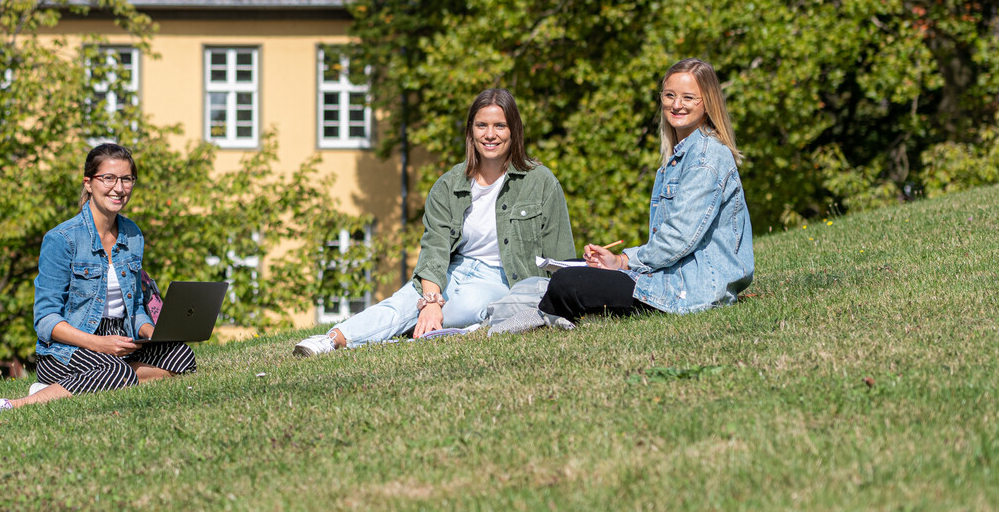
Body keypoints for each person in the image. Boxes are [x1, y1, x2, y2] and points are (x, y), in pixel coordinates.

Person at [293, 87, 575, 356]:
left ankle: (419, 328)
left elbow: (561, 258)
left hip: (502, 278)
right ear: (471, 131)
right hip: (453, 271)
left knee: (466, 305)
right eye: (481, 126)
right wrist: (431, 300)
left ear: (514, 130)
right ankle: (330, 339)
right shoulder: (448, 186)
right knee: (403, 302)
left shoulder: (541, 182)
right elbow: (434, 250)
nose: (490, 134)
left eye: (499, 126)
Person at [0, 142, 195, 414]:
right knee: (116, 372)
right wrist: (100, 344)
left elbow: (135, 308)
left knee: (182, 357)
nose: (119, 188)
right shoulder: (62, 239)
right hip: (67, 349)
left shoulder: (133, 234)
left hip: (120, 342)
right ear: (88, 183)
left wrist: (153, 333)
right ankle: (14, 405)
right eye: (108, 178)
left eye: (126, 179)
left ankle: (62, 389)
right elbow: (46, 320)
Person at [539, 58, 754, 321]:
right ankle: (552, 313)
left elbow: (678, 239)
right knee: (568, 270)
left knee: (568, 282)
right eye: (670, 95)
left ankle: (547, 318)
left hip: (692, 289)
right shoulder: (680, 156)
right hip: (670, 278)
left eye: (688, 98)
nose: (677, 104)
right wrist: (616, 263)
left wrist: (622, 262)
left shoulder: (705, 157)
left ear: (708, 102)